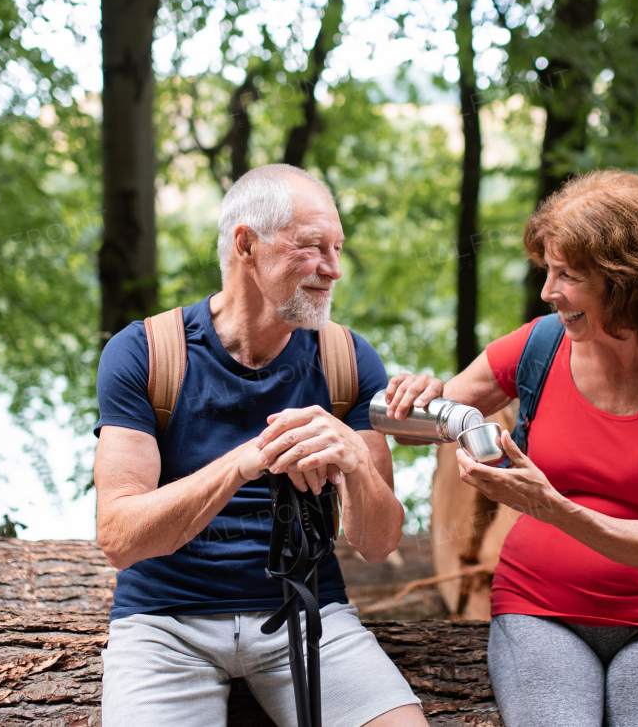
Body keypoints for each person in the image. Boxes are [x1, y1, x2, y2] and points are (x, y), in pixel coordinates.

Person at [385, 170, 638, 727]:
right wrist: (422, 398)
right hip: (539, 608)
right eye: (548, 271)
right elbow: (412, 425)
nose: (547, 291)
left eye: (568, 275)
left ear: (626, 280)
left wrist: (548, 505)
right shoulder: (539, 344)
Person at [93, 164, 427, 727]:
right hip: (164, 624)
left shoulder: (347, 359)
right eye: (313, 247)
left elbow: (379, 542)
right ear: (246, 244)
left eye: (338, 248)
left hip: (307, 613)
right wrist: (244, 463)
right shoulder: (145, 353)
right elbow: (119, 538)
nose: (335, 269)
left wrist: (355, 463)